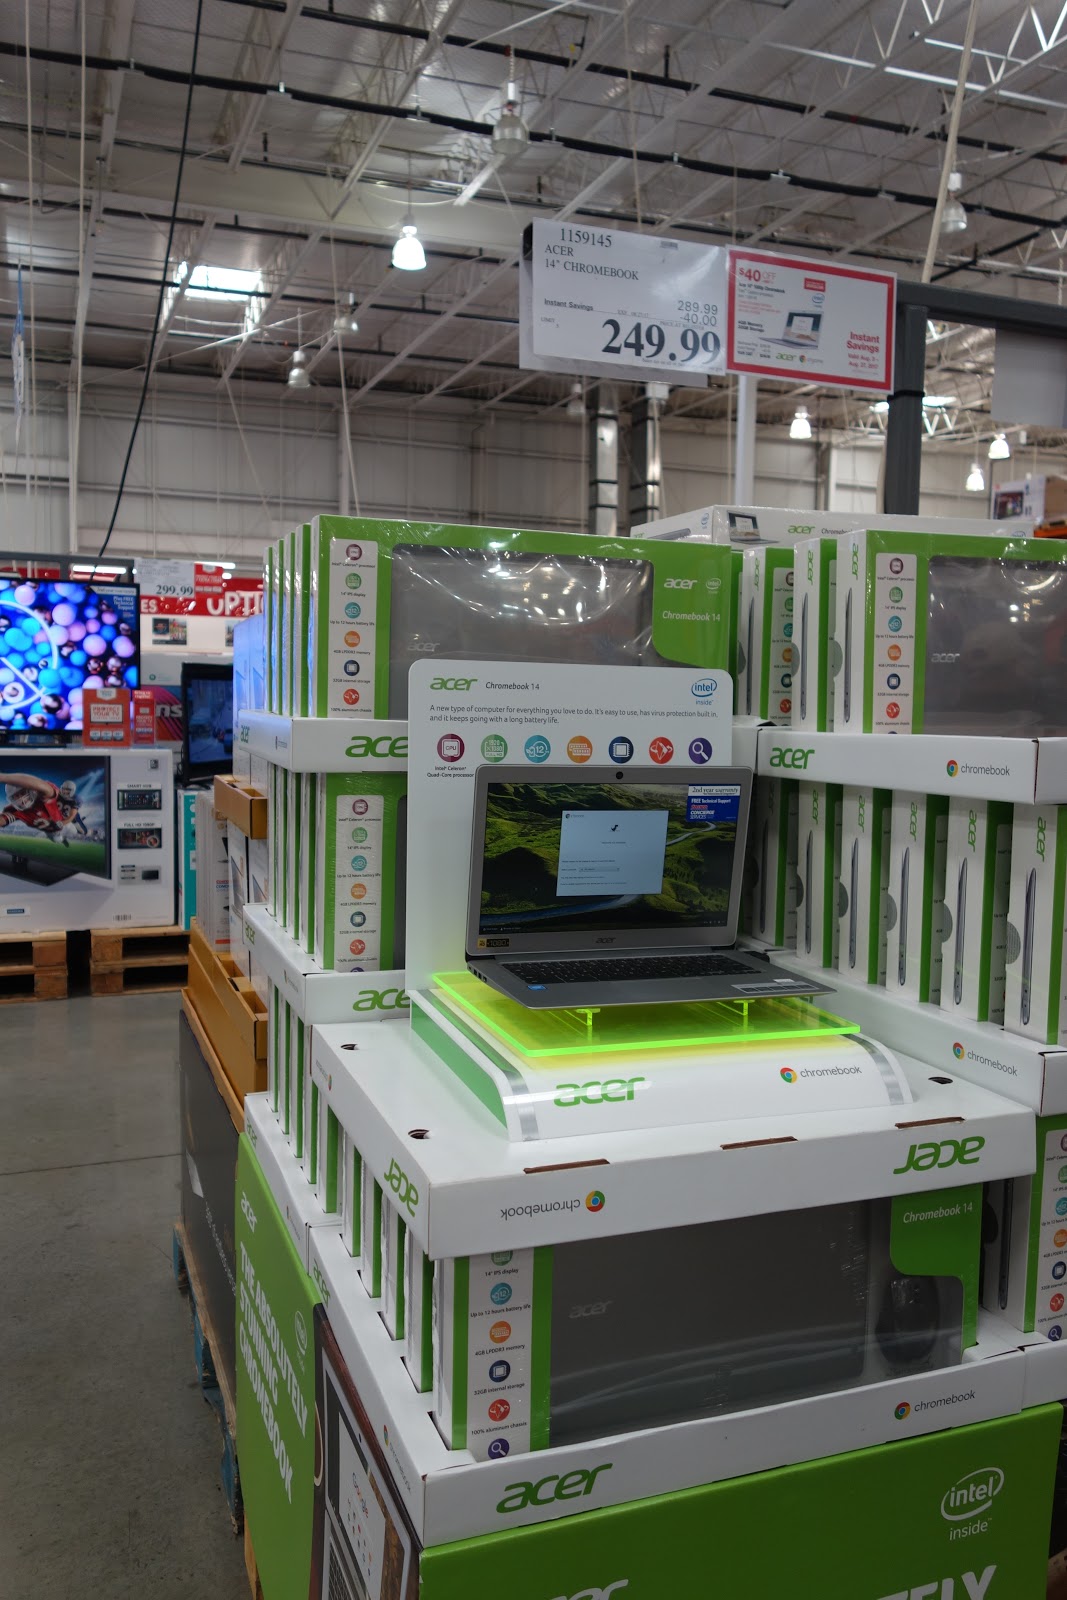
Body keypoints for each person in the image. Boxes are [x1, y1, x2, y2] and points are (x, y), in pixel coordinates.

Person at [0, 771, 67, 838]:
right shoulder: (14, 810)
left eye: (22, 793)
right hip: (49, 832)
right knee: (55, 839)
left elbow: (40, 785)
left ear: (31, 790)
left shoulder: (43, 795)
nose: (21, 799)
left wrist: (2, 777)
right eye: (16, 796)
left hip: (67, 824)